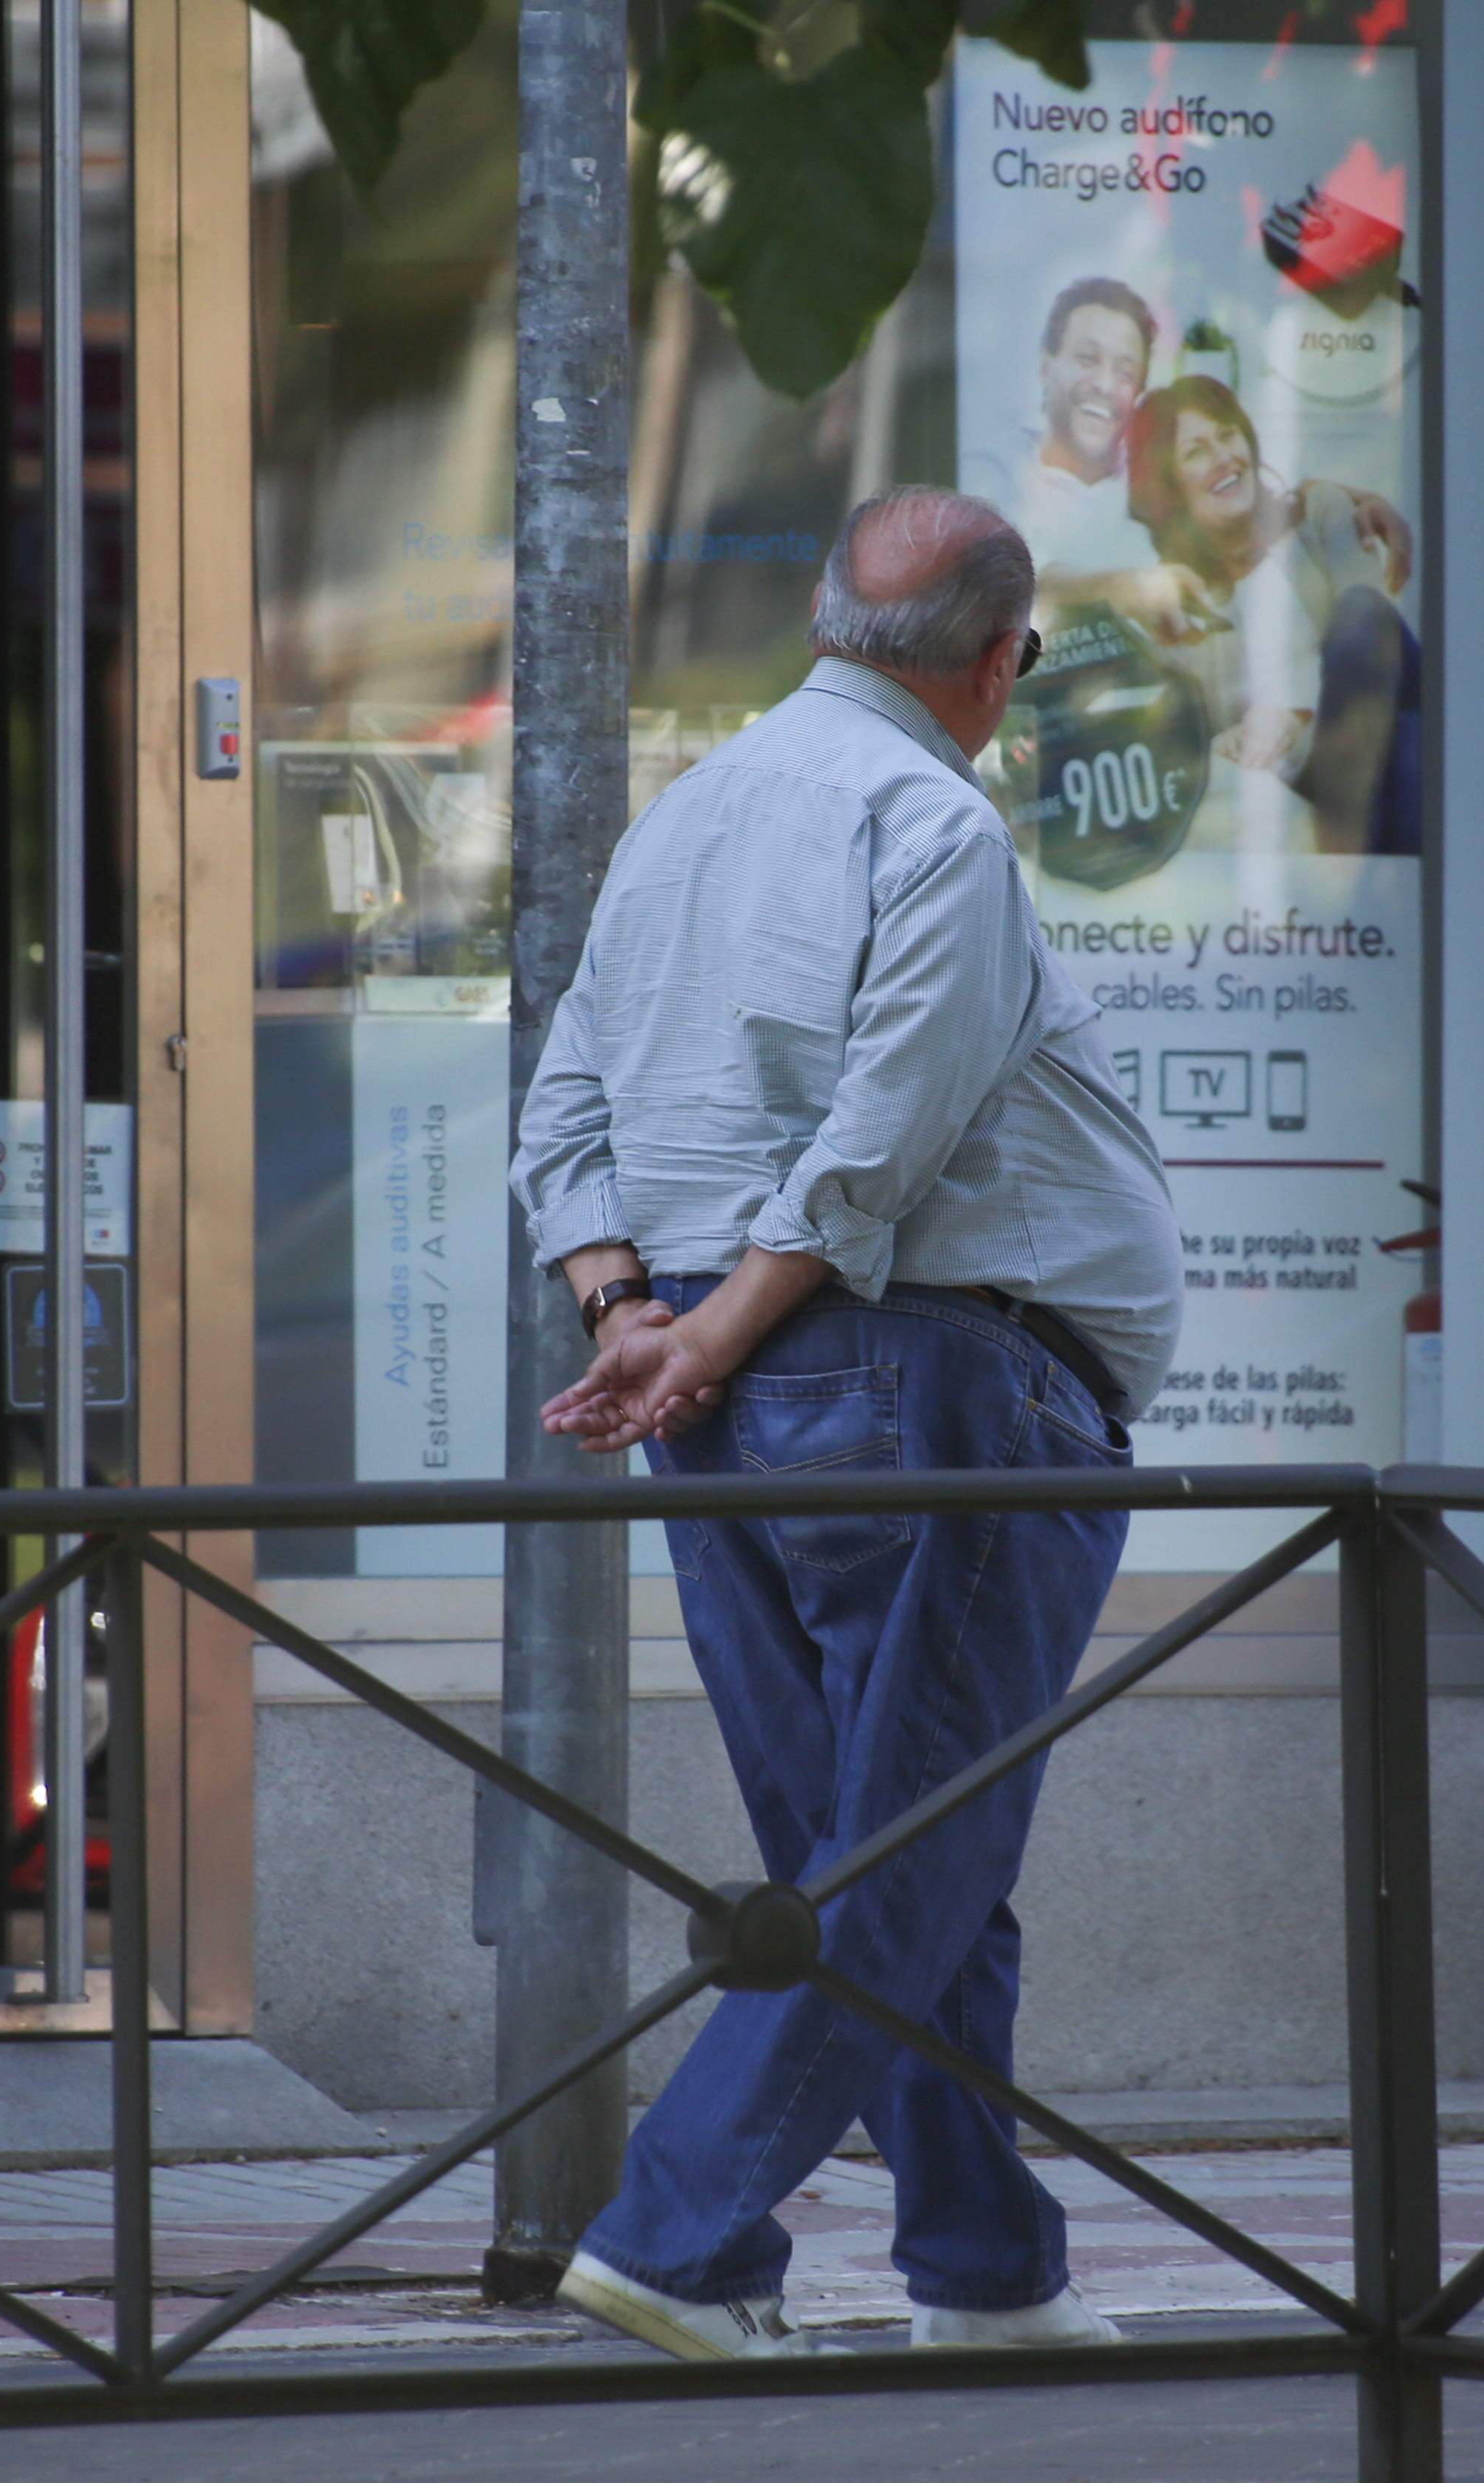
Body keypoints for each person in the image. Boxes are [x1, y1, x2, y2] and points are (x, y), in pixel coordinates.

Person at [511, 486, 1184, 2361]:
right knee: (917, 1846)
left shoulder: (684, 822)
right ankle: (681, 2235)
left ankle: (986, 2272)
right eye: (1025, 662)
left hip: (725, 1404)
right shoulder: (933, 825)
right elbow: (881, 1135)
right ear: (995, 662)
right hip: (935, 1382)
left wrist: (631, 1315)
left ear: (823, 628)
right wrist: (703, 1322)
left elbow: (558, 1114)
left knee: (882, 1847)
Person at [1119, 375, 1421, 855]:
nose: (1223, 457)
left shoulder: (1320, 512)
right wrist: (1226, 743)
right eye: (1195, 451)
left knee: (1364, 621)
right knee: (1411, 758)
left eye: (1227, 434)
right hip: (1310, 774)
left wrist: (1298, 719)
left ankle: (1341, 844)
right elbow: (1182, 734)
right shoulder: (1183, 604)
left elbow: (1373, 651)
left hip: (1379, 712)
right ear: (1168, 488)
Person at [957, 276, 1164, 574]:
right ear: (1046, 368)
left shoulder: (1155, 494)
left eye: (1124, 372)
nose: (1104, 385)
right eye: (1087, 359)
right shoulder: (990, 476)